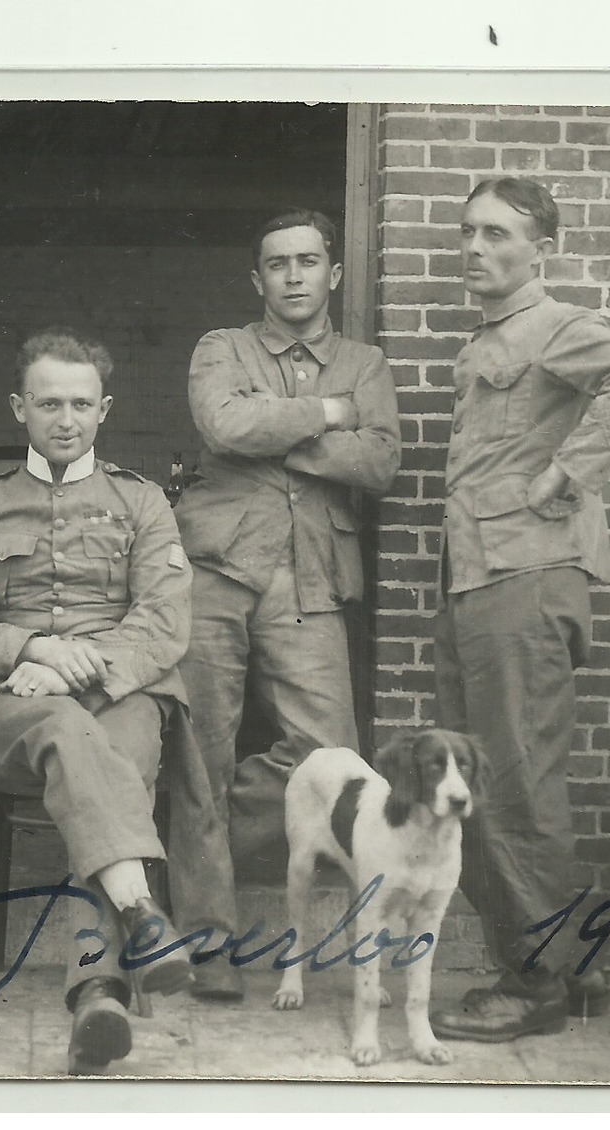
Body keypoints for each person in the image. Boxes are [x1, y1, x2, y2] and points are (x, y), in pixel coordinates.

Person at [0, 328, 239, 1075]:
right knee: (73, 739)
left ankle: (96, 991)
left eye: (78, 404)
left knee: (107, 765)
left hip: (119, 688)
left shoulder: (140, 503)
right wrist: (33, 651)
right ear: (18, 409)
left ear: (103, 410)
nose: (63, 419)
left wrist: (76, 670)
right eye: (46, 404)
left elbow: (162, 623)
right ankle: (139, 914)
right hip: (11, 700)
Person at [428, 177, 610, 1043]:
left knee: (511, 784)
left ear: (541, 249)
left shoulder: (554, 324)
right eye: (466, 232)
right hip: (483, 576)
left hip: (523, 578)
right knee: (493, 778)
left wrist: (564, 473)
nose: (474, 248)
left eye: (496, 234)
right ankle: (576, 965)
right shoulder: (489, 338)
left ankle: (532, 981)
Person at [174, 208, 401, 908]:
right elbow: (223, 422)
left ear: (332, 272)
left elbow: (381, 460)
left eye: (307, 261)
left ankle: (173, 835)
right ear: (257, 279)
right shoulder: (222, 347)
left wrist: (277, 430)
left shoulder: (364, 364)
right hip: (215, 568)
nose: (293, 275)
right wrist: (330, 415)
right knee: (201, 750)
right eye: (278, 264)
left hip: (310, 578)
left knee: (328, 756)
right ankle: (205, 934)